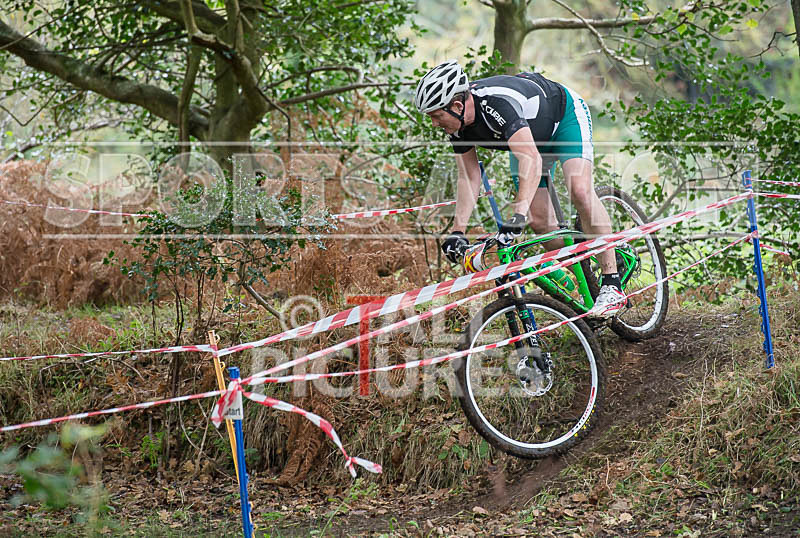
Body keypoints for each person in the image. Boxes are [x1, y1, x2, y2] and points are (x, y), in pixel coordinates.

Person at [414, 59, 625, 318]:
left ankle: (612, 283)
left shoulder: (497, 105)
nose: (435, 123)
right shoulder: (458, 127)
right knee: (540, 223)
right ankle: (590, 264)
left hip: (563, 118)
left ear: (457, 106)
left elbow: (531, 160)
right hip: (528, 141)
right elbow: (469, 177)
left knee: (579, 188)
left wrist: (517, 215)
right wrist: (458, 231)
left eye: (437, 115)